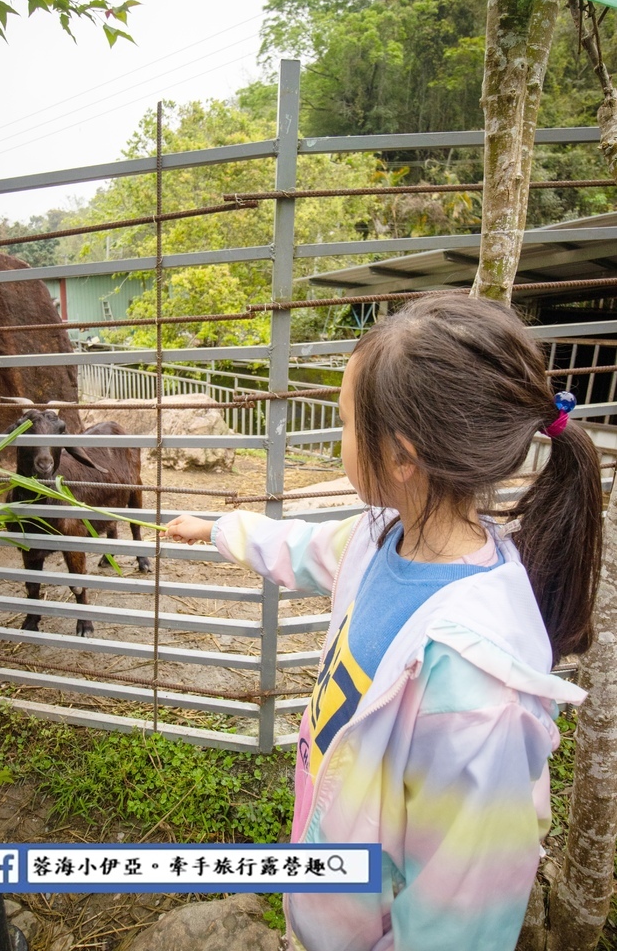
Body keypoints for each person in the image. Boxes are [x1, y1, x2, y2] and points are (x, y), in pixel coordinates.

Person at [166, 292, 603, 951]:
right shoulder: (378, 538)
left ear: (401, 456)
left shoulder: (474, 689)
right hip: (333, 879)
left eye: (343, 422)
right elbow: (301, 547)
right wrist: (218, 528)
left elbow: (461, 917)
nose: (337, 438)